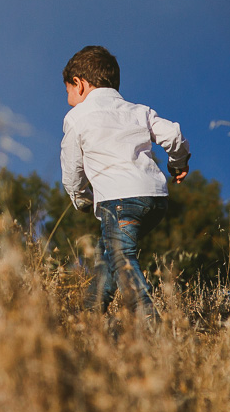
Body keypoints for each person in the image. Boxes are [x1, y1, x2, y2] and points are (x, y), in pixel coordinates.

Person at [60, 45, 190, 320]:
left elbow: (72, 169)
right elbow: (174, 135)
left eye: (69, 93)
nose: (69, 100)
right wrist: (177, 164)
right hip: (154, 199)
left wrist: (80, 197)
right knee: (108, 253)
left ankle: (149, 325)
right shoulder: (138, 111)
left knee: (122, 259)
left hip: (117, 200)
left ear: (79, 84)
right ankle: (89, 316)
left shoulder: (77, 117)